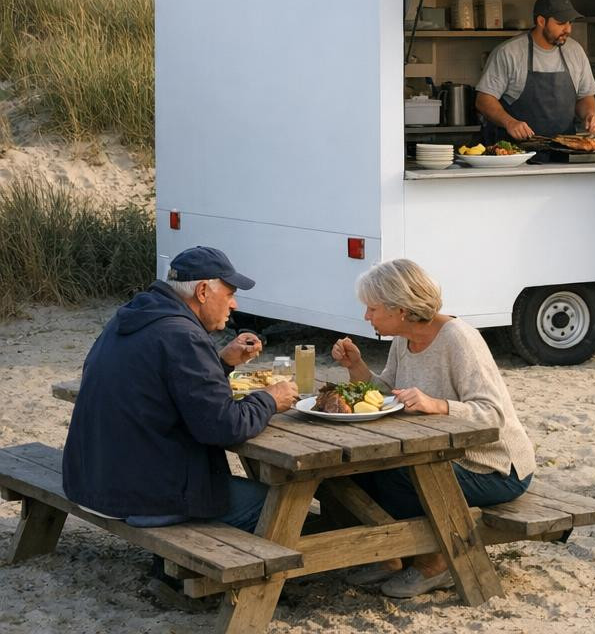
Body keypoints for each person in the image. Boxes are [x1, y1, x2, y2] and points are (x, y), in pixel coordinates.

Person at [62, 247, 299, 603]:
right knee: (285, 506)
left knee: (260, 496)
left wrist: (221, 361)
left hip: (93, 478)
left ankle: (170, 570)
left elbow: (170, 389)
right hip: (140, 495)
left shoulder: (134, 316)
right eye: (230, 294)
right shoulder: (182, 336)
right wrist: (270, 398)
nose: (233, 305)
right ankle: (224, 582)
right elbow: (223, 427)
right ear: (203, 292)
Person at [331, 258, 537, 598]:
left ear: (400, 309)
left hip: (495, 467)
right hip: (439, 455)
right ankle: (390, 555)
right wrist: (357, 366)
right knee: (353, 469)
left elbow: (493, 415)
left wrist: (438, 405)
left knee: (396, 475)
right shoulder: (403, 338)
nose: (366, 316)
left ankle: (435, 562)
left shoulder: (458, 339)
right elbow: (390, 395)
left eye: (372, 308)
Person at [475, 0, 595, 141]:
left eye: (570, 23)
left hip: (564, 150)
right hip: (518, 153)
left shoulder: (575, 51)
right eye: (561, 23)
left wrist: (590, 115)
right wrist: (510, 122)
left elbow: (585, 96)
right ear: (541, 21)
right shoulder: (509, 52)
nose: (568, 29)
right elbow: (483, 100)